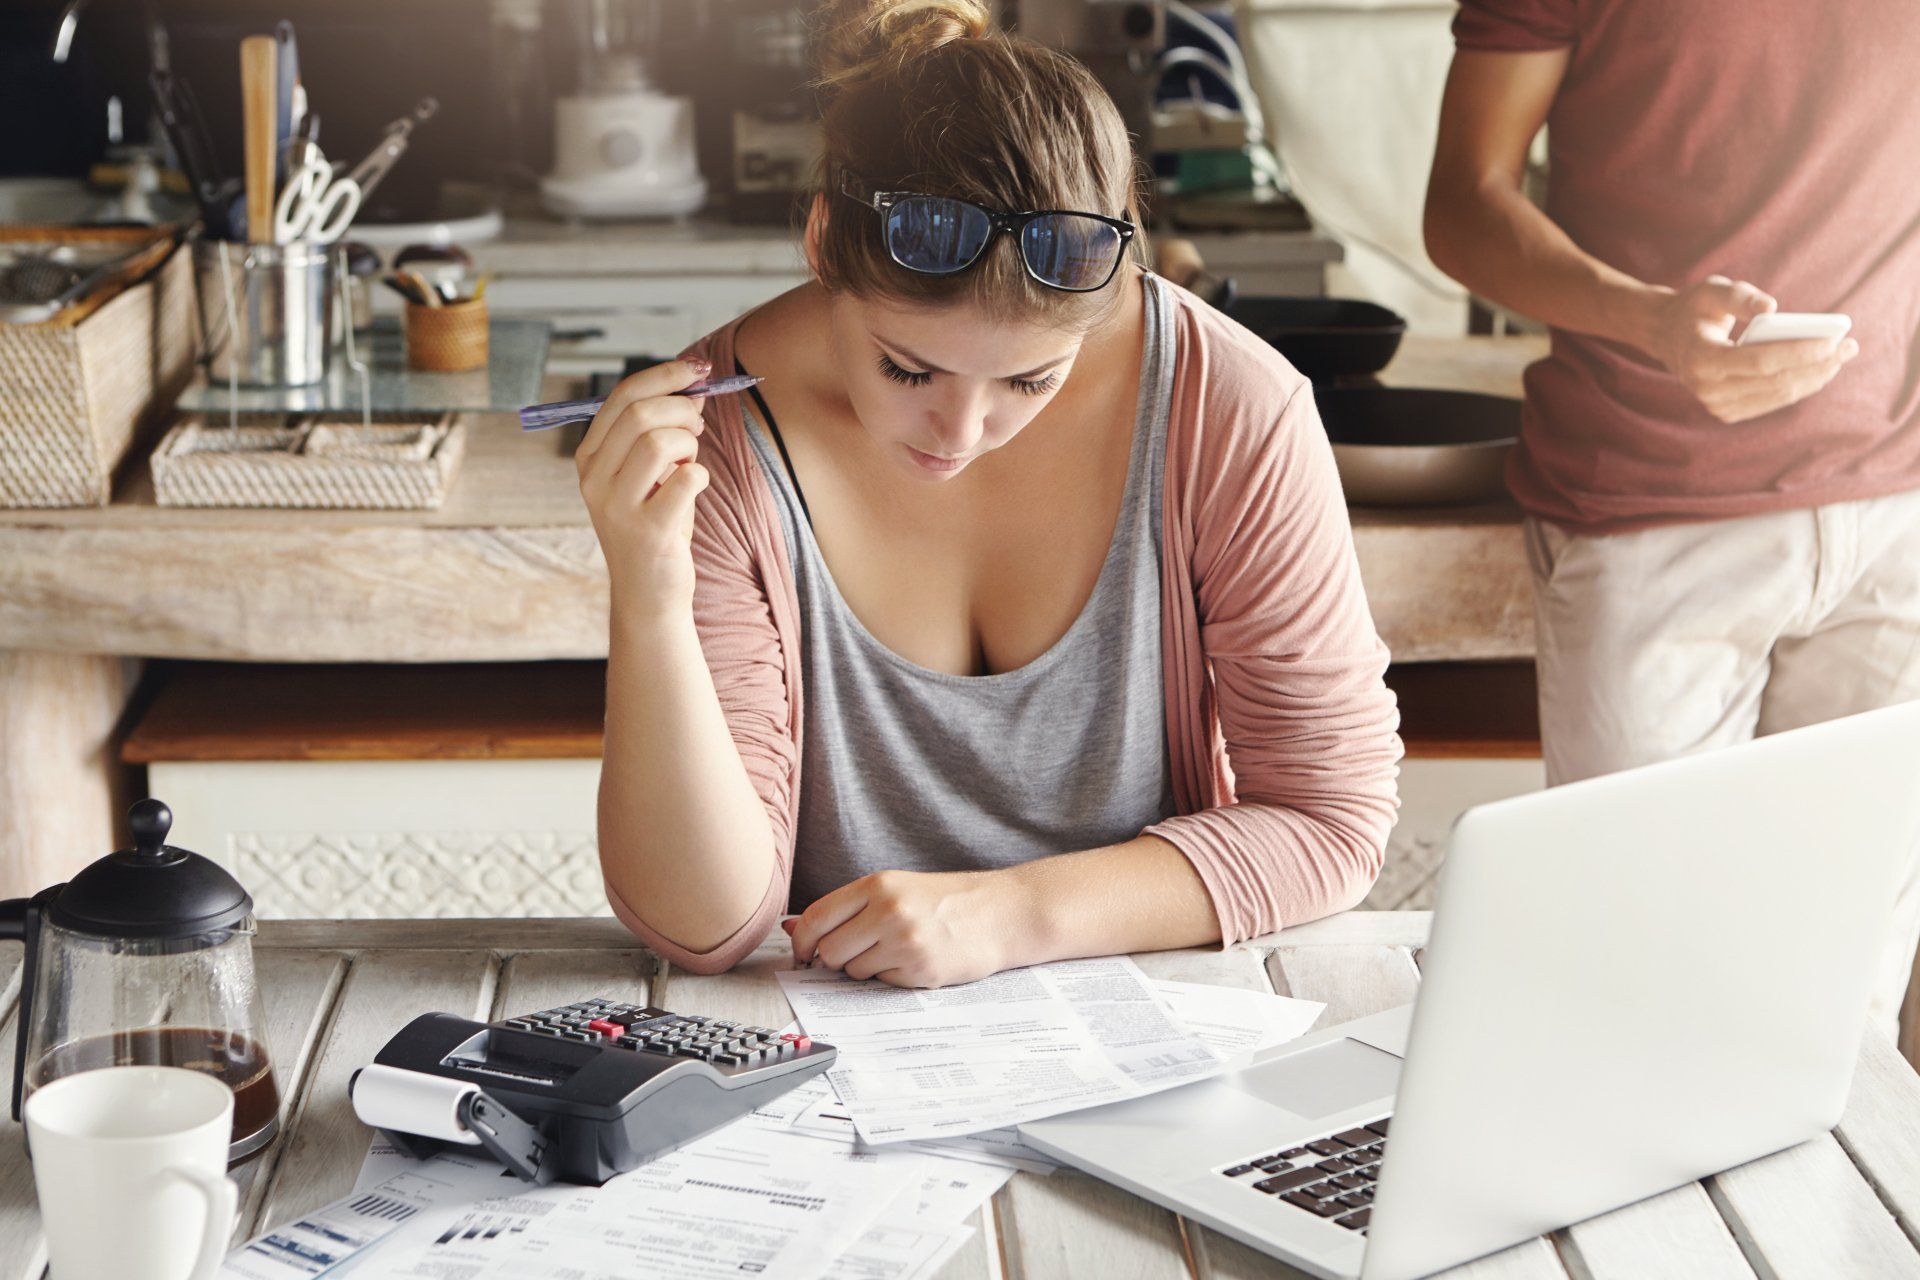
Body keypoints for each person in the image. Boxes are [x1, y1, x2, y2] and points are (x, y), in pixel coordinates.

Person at [579, 0, 1401, 987]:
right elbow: (702, 924)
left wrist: (1010, 914)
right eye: (908, 370)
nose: (962, 434)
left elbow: (1331, 822)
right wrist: (650, 593)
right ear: (821, 235)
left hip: (1155, 1042)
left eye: (1028, 382)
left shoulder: (1230, 405)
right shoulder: (715, 436)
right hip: (831, 1077)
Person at [1424, 0, 1920, 1035]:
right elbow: (1465, 202)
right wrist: (1650, 318)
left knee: (1846, 1017)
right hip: (1649, 508)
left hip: (1899, 514)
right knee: (1640, 1005)